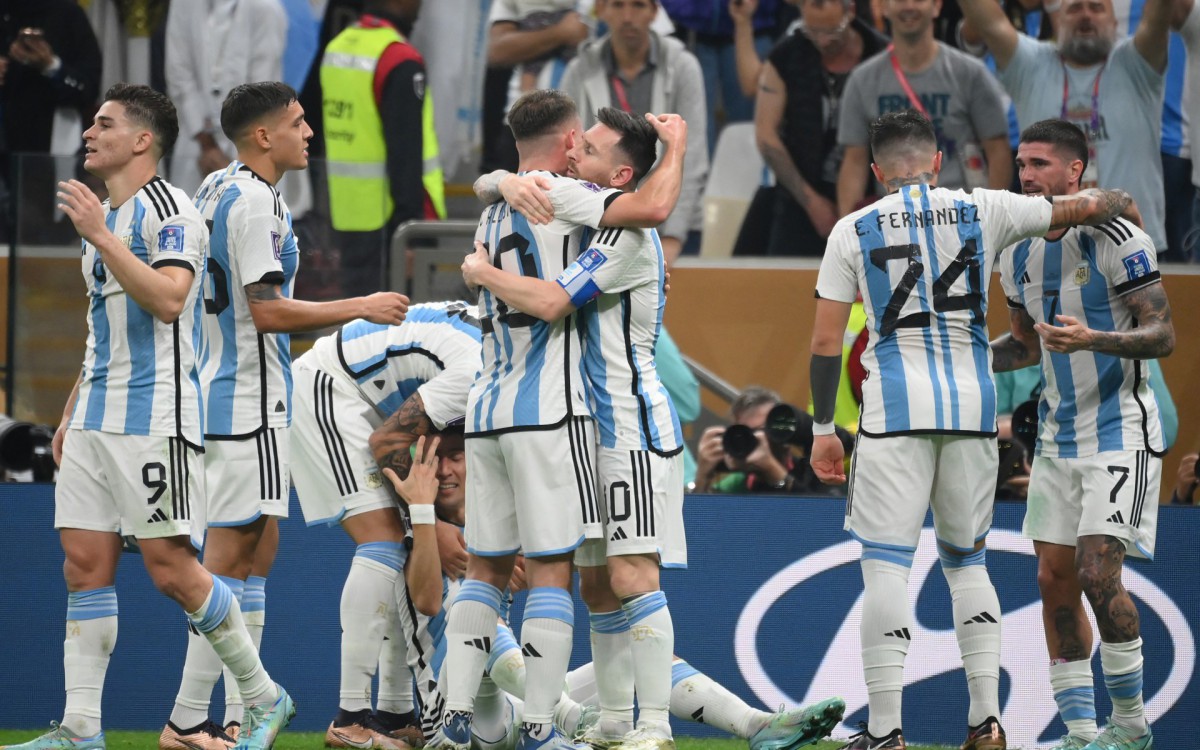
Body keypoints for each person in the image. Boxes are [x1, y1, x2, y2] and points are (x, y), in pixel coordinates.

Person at [807, 110, 1141, 750]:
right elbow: (1093, 205)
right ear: (938, 161)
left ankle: (884, 731)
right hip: (970, 408)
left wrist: (825, 426)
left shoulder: (851, 230)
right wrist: (1123, 207)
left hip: (894, 411)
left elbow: (827, 344)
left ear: (876, 171)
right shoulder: (986, 207)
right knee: (967, 564)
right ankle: (986, 721)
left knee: (885, 569)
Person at [0, 83, 293, 750]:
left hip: (155, 415)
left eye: (103, 124)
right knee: (83, 565)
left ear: (140, 140)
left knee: (171, 570)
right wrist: (71, 412)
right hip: (98, 418)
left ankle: (262, 695)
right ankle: (80, 729)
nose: (88, 134)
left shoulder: (173, 210)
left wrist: (102, 236)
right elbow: (100, 329)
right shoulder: (104, 216)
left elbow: (169, 297)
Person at [162, 81, 409, 750]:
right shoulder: (253, 203)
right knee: (226, 562)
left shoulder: (216, 186)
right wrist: (358, 304)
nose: (310, 134)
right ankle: (189, 719)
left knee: (256, 555)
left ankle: (241, 717)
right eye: (298, 123)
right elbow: (266, 311)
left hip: (214, 390)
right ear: (262, 136)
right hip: (246, 401)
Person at [439, 88, 684, 750]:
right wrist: (501, 180)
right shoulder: (566, 202)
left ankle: (652, 726)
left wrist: (479, 271)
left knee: (627, 575)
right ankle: (595, 724)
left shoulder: (618, 229)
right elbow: (523, 183)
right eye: (580, 140)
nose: (581, 151)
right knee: (588, 581)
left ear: (621, 172)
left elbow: (552, 297)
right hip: (570, 421)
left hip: (625, 425)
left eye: (595, 148)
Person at [991, 119, 1174, 750]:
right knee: (1053, 582)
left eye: (1040, 164)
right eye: (1021, 164)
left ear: (1076, 173)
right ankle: (1077, 732)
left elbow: (1162, 335)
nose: (1027, 175)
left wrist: (1091, 337)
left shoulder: (1121, 237)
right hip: (1056, 442)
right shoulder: (1013, 248)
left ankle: (1130, 727)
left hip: (1121, 431)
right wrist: (954, 357)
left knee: (1099, 572)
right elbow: (1020, 345)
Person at [289, 301, 482, 749]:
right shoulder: (479, 371)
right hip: (331, 386)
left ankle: (394, 716)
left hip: (375, 398)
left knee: (405, 547)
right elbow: (389, 440)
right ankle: (349, 718)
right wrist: (433, 520)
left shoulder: (499, 347)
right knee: (385, 541)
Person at [955, 0, 1173, 253]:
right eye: (1074, 8)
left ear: (1115, 24)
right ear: (1057, 21)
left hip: (1132, 241)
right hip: (1049, 247)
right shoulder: (1029, 63)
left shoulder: (1138, 62)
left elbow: (1158, 17)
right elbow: (987, 20)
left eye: (1096, 7)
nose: (1086, 15)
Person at [558, 0, 709, 265]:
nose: (628, 17)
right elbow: (567, 150)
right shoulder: (579, 70)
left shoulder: (683, 66)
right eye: (618, 5)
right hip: (597, 220)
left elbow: (692, 155)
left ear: (654, 12)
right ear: (601, 10)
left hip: (675, 224)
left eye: (638, 5)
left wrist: (673, 236)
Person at [834, 0, 1012, 219]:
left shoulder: (971, 74)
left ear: (937, 6)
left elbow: (998, 152)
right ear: (883, 7)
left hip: (960, 217)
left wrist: (990, 220)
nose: (908, 6)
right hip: (895, 219)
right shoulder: (862, 81)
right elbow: (854, 162)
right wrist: (849, 232)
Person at [320, 0, 446, 298]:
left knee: (358, 326)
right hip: (394, 226)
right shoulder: (398, 58)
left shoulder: (338, 48)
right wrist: (410, 232)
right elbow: (405, 154)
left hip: (348, 215)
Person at [752, 0, 889, 256]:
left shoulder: (880, 53)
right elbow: (766, 135)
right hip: (800, 196)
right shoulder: (786, 56)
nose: (822, 41)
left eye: (831, 32)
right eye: (813, 32)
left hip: (873, 196)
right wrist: (810, 201)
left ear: (850, 13)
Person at [163, 0, 287, 195]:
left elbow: (262, 92)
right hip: (196, 143)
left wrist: (234, 165)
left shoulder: (266, 9)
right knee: (188, 218)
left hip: (251, 143)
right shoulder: (183, 4)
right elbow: (178, 74)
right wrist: (208, 145)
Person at [692, 386, 848, 495]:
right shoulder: (736, 485)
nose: (756, 439)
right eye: (747, 433)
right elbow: (699, 528)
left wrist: (773, 471)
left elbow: (821, 521)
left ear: (785, 432)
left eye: (762, 430)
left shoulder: (814, 472)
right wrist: (702, 479)